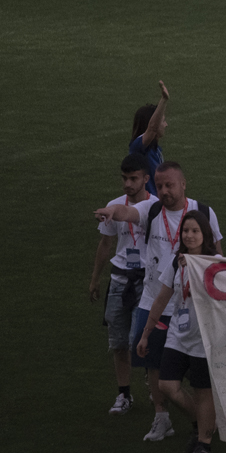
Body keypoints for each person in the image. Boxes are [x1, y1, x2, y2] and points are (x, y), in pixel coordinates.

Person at [93, 161, 223, 444]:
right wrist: (111, 211)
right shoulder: (150, 210)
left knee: (196, 366)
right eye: (160, 186)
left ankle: (205, 421)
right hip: (153, 299)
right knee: (152, 363)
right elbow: (125, 211)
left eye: (170, 185)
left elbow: (218, 258)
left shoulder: (202, 212)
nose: (164, 191)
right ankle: (162, 416)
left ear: (184, 184)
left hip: (191, 303)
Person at [136, 210, 220, 453]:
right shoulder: (175, 261)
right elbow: (161, 297)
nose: (190, 235)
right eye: (186, 231)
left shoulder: (215, 262)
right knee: (167, 386)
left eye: (195, 231)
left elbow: (222, 297)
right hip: (178, 334)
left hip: (204, 338)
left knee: (202, 391)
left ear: (205, 234)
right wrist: (146, 334)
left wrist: (195, 269)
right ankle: (202, 423)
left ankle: (205, 447)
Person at [89, 153, 153, 415]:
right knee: (118, 342)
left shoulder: (156, 207)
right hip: (120, 279)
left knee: (143, 340)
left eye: (133, 179)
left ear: (145, 179)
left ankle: (155, 391)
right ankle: (124, 394)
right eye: (124, 178)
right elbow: (106, 244)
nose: (127, 184)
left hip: (148, 282)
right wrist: (95, 279)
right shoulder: (113, 204)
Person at [128, 80, 169, 194]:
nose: (166, 125)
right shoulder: (138, 147)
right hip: (146, 208)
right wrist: (163, 100)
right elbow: (153, 127)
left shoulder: (155, 149)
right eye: (163, 121)